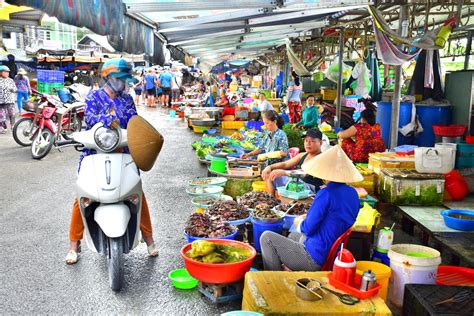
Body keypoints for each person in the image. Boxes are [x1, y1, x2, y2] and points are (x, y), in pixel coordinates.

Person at [65, 58, 159, 264]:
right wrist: (109, 119)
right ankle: (74, 244)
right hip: (95, 154)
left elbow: (134, 123)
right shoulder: (93, 97)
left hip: (125, 153)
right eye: (120, 79)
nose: (123, 83)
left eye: (125, 79)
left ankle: (149, 237)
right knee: (82, 196)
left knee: (137, 193)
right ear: (108, 78)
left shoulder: (127, 99)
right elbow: (90, 119)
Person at [260, 145, 362, 271]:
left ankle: (274, 280)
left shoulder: (326, 193)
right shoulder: (352, 193)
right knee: (293, 236)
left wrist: (300, 222)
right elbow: (335, 217)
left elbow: (307, 228)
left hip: (316, 257)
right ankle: (288, 267)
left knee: (267, 237)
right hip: (332, 251)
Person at [261, 129, 325, 196]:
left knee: (291, 182)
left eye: (312, 141)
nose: (308, 143)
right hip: (298, 184)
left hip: (312, 188)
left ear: (320, 143)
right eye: (306, 141)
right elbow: (285, 164)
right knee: (270, 175)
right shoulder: (302, 155)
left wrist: (284, 172)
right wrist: (269, 167)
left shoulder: (321, 158)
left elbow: (305, 172)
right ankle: (271, 200)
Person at [0, 65, 17, 133]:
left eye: (8, 72)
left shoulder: (10, 80)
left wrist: (13, 89)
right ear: (1, 72)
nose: (7, 73)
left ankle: (13, 126)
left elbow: (15, 89)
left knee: (12, 114)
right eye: (5, 72)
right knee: (1, 115)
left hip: (10, 100)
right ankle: (3, 127)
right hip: (1, 101)